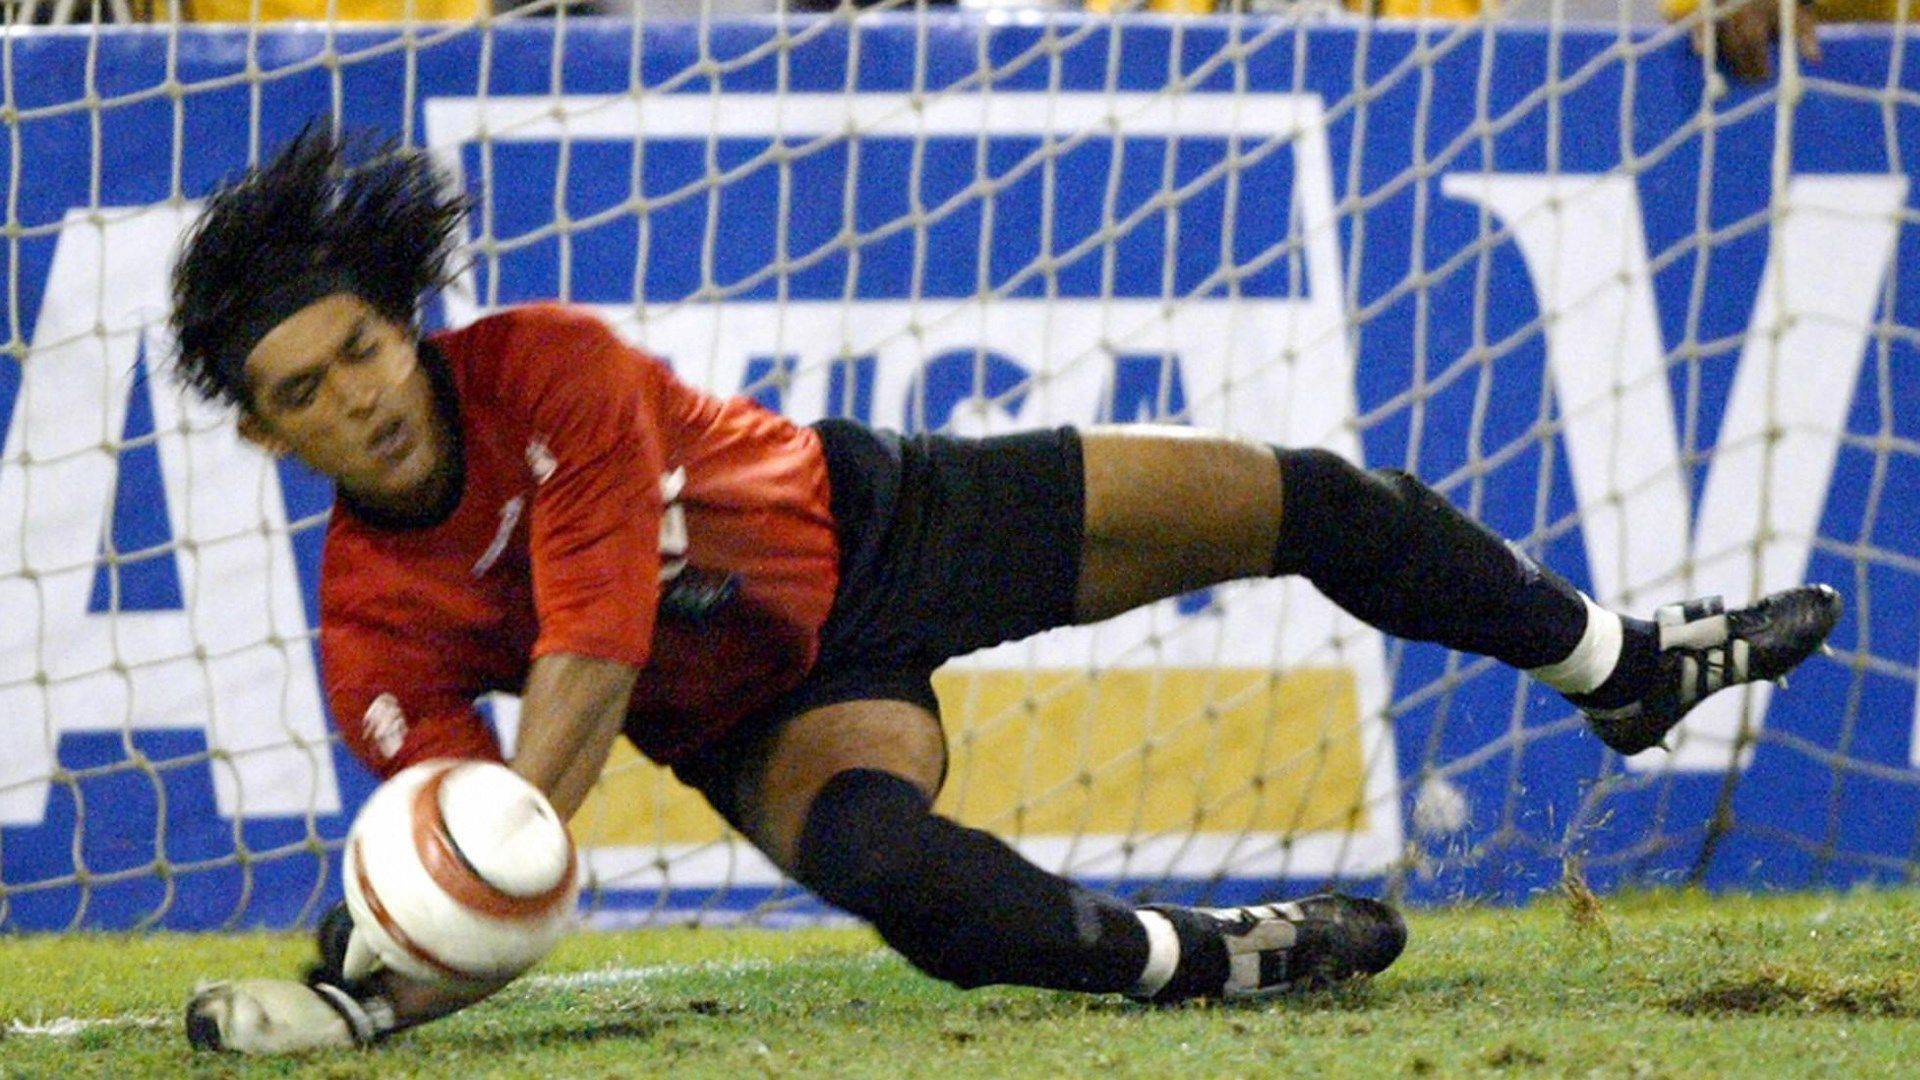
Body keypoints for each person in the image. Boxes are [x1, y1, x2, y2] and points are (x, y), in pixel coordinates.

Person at [174, 128, 1841, 1053]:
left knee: (1312, 502)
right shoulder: (368, 626)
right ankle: (1212, 961)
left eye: (365, 349)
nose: (362, 398)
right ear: (263, 432)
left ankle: (1623, 667)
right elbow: (464, 854)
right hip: (766, 712)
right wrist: (374, 977)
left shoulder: (553, 366)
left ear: (407, 326)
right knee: (921, 895)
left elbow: (585, 666)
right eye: (306, 392)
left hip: (887, 516)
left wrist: (418, 926)